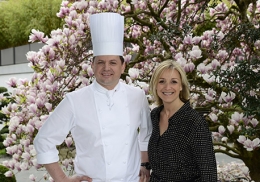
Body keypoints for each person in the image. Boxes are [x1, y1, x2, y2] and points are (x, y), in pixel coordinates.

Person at [33, 12, 152, 182]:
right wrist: (62, 179)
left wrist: (144, 164)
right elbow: (43, 140)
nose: (106, 68)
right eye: (100, 62)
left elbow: (146, 134)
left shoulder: (137, 96)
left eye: (112, 62)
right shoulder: (74, 101)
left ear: (123, 66)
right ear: (92, 65)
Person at [148, 60, 217, 182]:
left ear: (181, 86)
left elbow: (209, 174)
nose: (167, 87)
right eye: (162, 81)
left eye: (173, 82)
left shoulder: (194, 122)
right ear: (155, 85)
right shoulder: (155, 115)